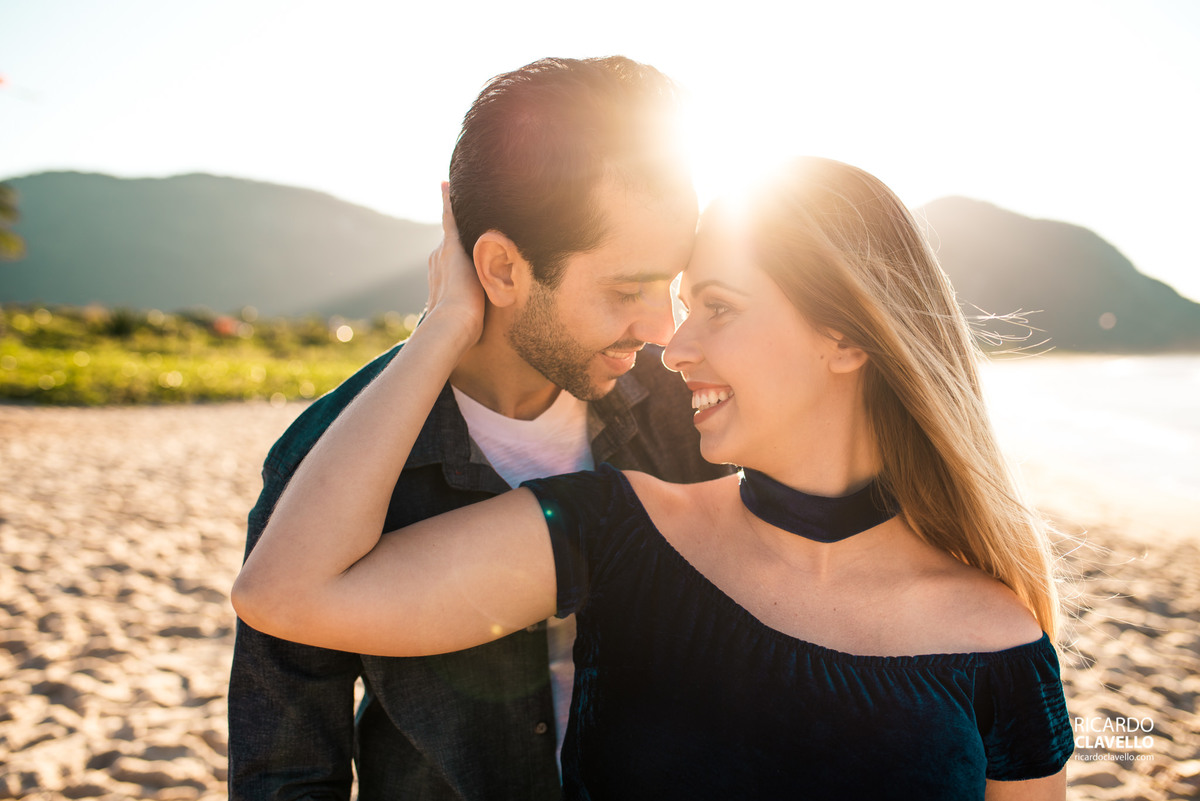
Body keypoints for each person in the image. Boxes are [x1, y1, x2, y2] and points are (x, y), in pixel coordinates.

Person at [233, 157, 1075, 799]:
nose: (672, 346)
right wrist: (445, 326)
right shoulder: (613, 527)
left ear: (848, 338)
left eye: (718, 305)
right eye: (674, 300)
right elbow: (285, 594)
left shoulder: (1000, 639)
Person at [226, 56, 728, 801]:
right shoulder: (324, 462)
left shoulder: (685, 406)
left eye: (672, 286)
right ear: (500, 268)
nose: (663, 328)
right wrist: (445, 327)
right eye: (628, 289)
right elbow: (287, 772)